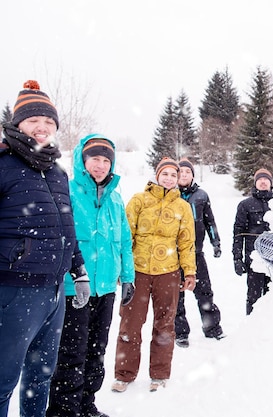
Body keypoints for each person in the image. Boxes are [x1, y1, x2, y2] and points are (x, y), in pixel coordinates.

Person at [0, 80, 90, 417]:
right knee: (3, 380)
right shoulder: (4, 164)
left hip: (53, 292)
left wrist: (78, 270)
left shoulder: (56, 172)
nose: (43, 128)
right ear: (18, 123)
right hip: (13, 292)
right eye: (34, 120)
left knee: (40, 377)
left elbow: (67, 229)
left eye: (49, 122)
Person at [46, 135, 135, 417]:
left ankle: (86, 404)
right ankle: (64, 409)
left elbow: (123, 242)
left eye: (106, 160)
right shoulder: (68, 192)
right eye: (95, 158)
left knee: (97, 351)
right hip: (75, 287)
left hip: (106, 287)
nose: (100, 165)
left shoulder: (116, 200)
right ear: (83, 161)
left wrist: (128, 277)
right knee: (71, 353)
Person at [111, 157, 196, 393]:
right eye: (165, 174)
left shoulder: (183, 207)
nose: (169, 178)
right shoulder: (139, 200)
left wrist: (189, 271)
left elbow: (187, 242)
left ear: (178, 179)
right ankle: (124, 374)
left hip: (168, 273)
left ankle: (159, 374)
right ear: (157, 175)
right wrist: (122, 269)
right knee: (130, 324)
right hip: (138, 272)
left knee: (165, 324)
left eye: (173, 174)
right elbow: (127, 237)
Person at [174, 158, 224, 347]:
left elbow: (209, 221)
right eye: (181, 172)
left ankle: (212, 328)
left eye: (188, 172)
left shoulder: (202, 196)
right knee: (176, 295)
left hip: (196, 253)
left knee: (204, 292)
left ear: (193, 175)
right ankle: (180, 333)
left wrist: (216, 242)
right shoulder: (170, 195)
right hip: (174, 254)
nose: (184, 175)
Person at [232, 168, 273, 315]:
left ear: (271, 183)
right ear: (255, 183)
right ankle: (251, 328)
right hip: (254, 260)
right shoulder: (245, 205)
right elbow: (238, 233)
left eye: (266, 179)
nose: (263, 182)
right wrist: (237, 258)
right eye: (260, 179)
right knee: (253, 298)